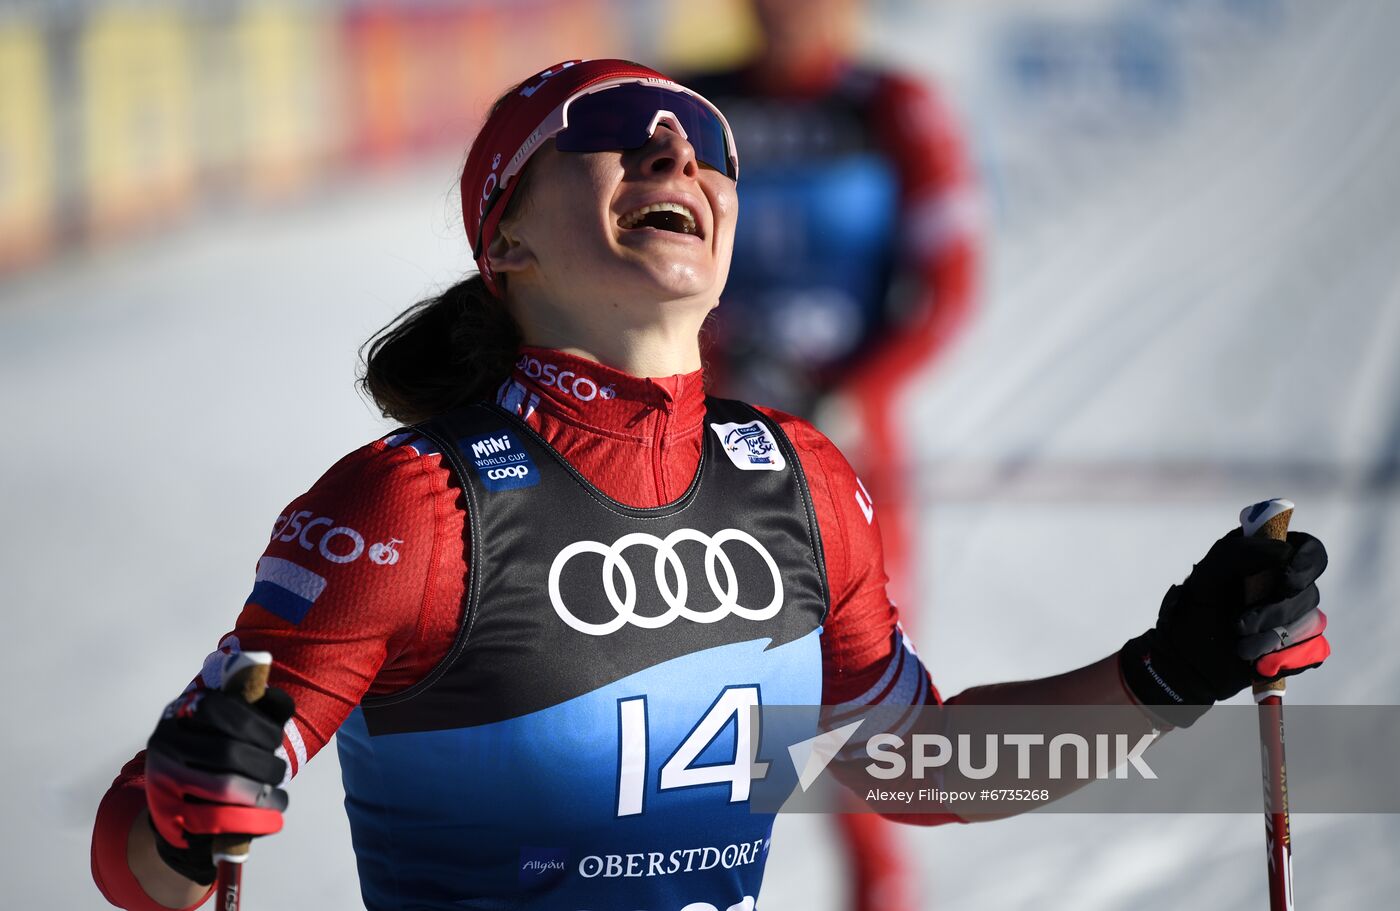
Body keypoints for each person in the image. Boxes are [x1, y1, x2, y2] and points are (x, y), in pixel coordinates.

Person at [90, 59, 1330, 911]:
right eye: (606, 131)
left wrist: (1173, 668)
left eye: (704, 144)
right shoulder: (409, 505)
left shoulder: (796, 477)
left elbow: (917, 772)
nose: (674, 145)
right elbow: (139, 853)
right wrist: (188, 811)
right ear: (502, 236)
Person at [682, 4, 980, 904]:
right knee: (689, 702)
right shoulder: (692, 102)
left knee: (865, 703)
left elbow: (953, 280)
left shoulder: (893, 105)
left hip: (848, 444)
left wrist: (856, 389)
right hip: (705, 436)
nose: (788, 15)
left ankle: (879, 885)